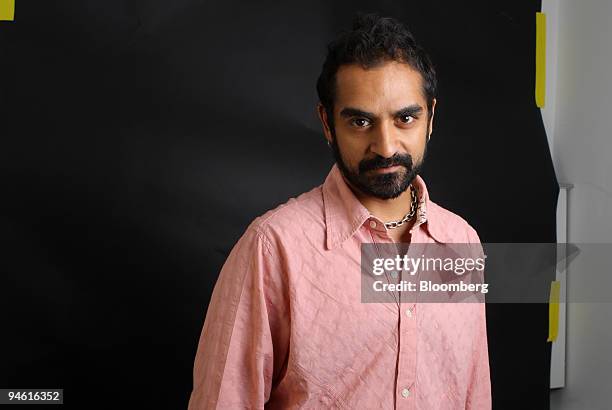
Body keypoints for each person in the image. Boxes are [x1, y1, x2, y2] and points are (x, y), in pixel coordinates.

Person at [188, 13, 491, 409]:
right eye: (361, 121)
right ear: (327, 124)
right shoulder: (273, 247)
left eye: (405, 118)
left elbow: (472, 392)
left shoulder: (462, 241)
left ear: (430, 118)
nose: (385, 146)